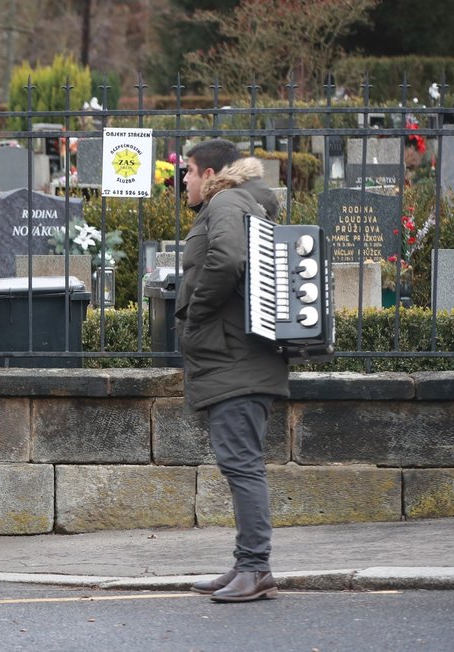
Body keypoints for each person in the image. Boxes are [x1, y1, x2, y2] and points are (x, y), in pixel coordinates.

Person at [174, 139, 289, 602]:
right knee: (239, 463)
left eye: (188, 171)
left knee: (242, 467)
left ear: (211, 173)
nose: (183, 180)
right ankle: (246, 564)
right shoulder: (242, 201)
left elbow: (227, 260)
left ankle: (255, 568)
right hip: (240, 360)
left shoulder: (225, 202)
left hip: (234, 361)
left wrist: (196, 312)